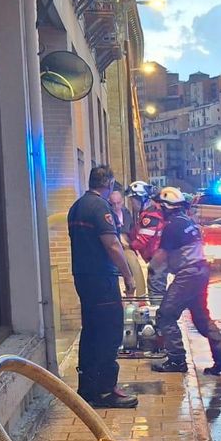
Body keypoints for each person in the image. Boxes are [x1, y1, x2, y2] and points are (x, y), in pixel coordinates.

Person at [68, 165, 139, 408]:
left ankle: (87, 388)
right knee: (109, 332)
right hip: (102, 280)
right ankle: (107, 390)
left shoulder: (77, 206)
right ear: (108, 183)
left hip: (83, 277)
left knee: (91, 332)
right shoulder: (100, 207)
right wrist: (128, 276)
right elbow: (112, 245)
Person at [148, 187, 221, 375]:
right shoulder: (188, 222)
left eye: (160, 207)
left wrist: (151, 268)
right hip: (200, 271)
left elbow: (162, 254)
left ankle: (177, 360)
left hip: (188, 275)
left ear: (166, 207)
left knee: (166, 315)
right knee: (202, 318)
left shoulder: (172, 226)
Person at [130, 191, 169, 303]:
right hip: (159, 256)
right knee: (158, 288)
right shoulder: (153, 213)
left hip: (157, 258)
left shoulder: (150, 216)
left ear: (142, 199)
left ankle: (159, 316)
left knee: (156, 291)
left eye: (133, 201)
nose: (132, 205)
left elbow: (143, 239)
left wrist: (129, 246)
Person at [108, 187, 146, 298]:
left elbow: (130, 231)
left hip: (127, 248)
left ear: (122, 201)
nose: (116, 206)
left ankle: (138, 298)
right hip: (114, 249)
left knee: (134, 269)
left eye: (118, 203)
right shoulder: (108, 214)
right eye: (113, 203)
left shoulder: (126, 213)